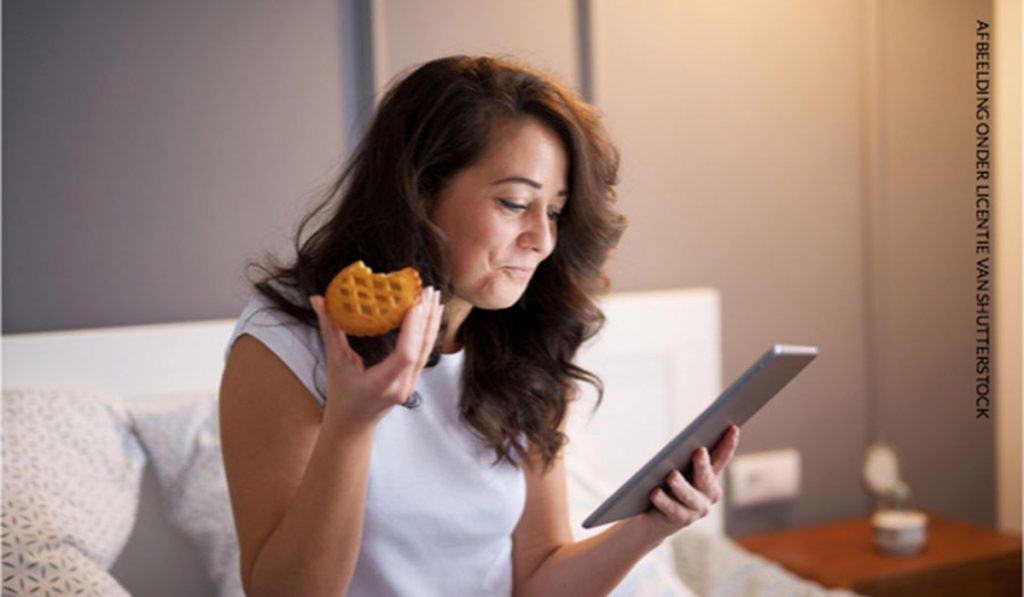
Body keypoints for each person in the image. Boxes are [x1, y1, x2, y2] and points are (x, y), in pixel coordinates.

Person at [219, 54, 741, 596]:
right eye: (514, 203)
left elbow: (539, 577)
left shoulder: (524, 340)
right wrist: (351, 425)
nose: (541, 239)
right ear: (420, 190)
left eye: (555, 211)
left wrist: (651, 526)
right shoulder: (287, 339)